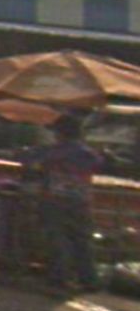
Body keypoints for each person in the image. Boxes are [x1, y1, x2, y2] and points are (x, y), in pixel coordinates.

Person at [30, 115, 102, 292]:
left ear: (59, 133)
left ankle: (59, 277)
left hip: (55, 200)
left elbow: (31, 163)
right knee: (82, 241)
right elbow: (99, 164)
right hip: (81, 201)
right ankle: (89, 280)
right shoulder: (88, 154)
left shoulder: (52, 152)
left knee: (58, 240)